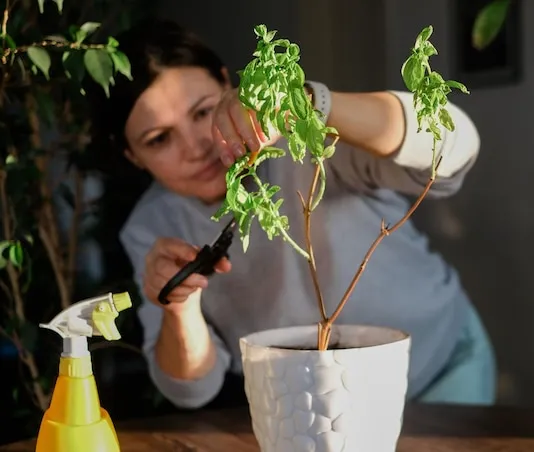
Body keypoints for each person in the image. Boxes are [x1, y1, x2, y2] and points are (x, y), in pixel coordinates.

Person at [92, 18, 496, 410]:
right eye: (159, 139)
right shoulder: (153, 227)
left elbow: (455, 151)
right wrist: (178, 304)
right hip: (317, 411)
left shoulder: (308, 140)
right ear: (132, 156)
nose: (196, 147)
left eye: (202, 113)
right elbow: (191, 390)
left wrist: (306, 104)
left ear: (226, 82)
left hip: (438, 368)